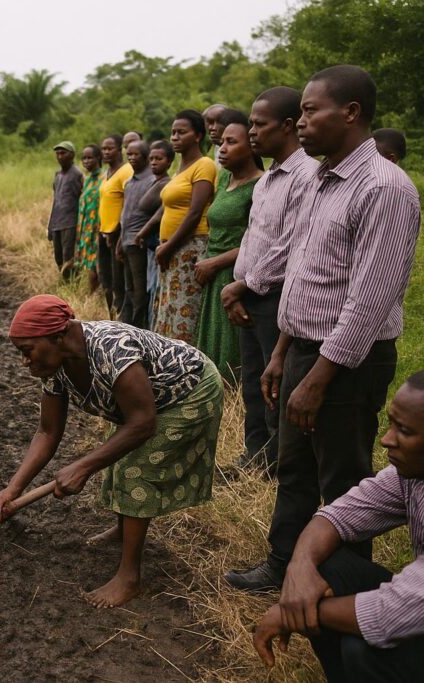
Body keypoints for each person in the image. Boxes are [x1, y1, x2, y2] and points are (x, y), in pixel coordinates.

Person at [226, 65, 421, 592]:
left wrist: (318, 377)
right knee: (294, 469)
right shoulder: (321, 180)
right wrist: (282, 353)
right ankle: (282, 565)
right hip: (304, 350)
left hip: (347, 361)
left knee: (344, 485)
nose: (302, 122)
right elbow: (304, 275)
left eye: (312, 111)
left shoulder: (384, 188)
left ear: (351, 113)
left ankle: (344, 590)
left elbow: (368, 299)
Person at [0, 295, 223, 608]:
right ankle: (124, 530)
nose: (24, 361)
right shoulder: (55, 368)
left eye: (27, 351)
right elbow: (47, 432)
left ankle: (129, 578)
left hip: (190, 390)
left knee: (133, 470)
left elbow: (142, 424)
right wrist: (12, 490)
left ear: (58, 336)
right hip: (147, 406)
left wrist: (83, 467)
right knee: (115, 459)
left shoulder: (112, 349)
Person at [253, 372, 424, 682]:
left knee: (366, 652)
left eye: (404, 430)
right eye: (391, 424)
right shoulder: (410, 475)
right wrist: (300, 567)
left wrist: (296, 613)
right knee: (328, 564)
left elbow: (392, 613)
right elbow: (340, 514)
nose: (386, 439)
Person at [221, 86, 319, 475]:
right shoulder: (267, 180)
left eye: (259, 124)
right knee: (251, 382)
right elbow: (254, 236)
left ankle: (276, 463)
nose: (253, 131)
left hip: (277, 295)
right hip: (248, 295)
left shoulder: (306, 176)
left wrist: (243, 284)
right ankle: (254, 455)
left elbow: (291, 244)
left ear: (289, 126)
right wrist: (239, 283)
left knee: (274, 380)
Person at [194, 116, 263, 382]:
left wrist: (215, 263)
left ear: (251, 147)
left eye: (231, 142)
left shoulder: (259, 186)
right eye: (222, 141)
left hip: (235, 275)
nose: (222, 148)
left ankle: (235, 401)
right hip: (212, 274)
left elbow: (257, 239)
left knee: (232, 348)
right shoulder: (224, 180)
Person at [150, 111, 217, 344]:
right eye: (173, 132)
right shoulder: (181, 168)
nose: (175, 137)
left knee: (184, 312)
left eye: (182, 132)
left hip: (190, 248)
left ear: (198, 136)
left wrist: (169, 247)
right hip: (172, 249)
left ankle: (187, 367)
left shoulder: (204, 165)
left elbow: (195, 213)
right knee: (169, 308)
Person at [117, 140, 157, 328]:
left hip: (139, 243)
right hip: (126, 241)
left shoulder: (152, 181)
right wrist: (120, 241)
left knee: (140, 290)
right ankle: (128, 326)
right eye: (129, 155)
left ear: (146, 157)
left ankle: (138, 328)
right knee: (129, 288)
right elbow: (125, 214)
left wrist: (141, 235)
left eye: (136, 155)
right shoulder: (129, 182)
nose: (132, 158)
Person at [134, 141, 174, 329]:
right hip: (150, 246)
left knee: (154, 289)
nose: (154, 162)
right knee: (149, 287)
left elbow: (156, 211)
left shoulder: (166, 183)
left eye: (159, 159)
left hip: (159, 243)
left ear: (169, 162)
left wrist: (143, 231)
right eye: (151, 159)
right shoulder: (154, 182)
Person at [98, 135, 133, 316]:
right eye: (103, 148)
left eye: (110, 148)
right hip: (104, 232)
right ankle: (110, 315)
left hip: (117, 234)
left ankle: (120, 318)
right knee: (106, 278)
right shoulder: (107, 173)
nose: (105, 152)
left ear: (120, 149)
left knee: (118, 281)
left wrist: (119, 231)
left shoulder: (126, 171)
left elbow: (129, 203)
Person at [68, 144, 103, 291]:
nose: (86, 161)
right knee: (89, 264)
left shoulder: (104, 179)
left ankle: (94, 296)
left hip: (98, 229)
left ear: (98, 158)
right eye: (84, 158)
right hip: (85, 230)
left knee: (96, 265)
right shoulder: (87, 180)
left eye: (90, 158)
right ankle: (92, 295)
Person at [48, 141, 83, 278]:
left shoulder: (77, 175)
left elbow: (81, 200)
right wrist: (50, 225)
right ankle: (66, 282)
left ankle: (72, 284)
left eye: (63, 153)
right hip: (57, 221)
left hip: (70, 222)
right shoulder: (58, 175)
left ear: (72, 155)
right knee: (58, 257)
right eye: (57, 153)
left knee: (69, 257)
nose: (60, 156)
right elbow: (55, 201)